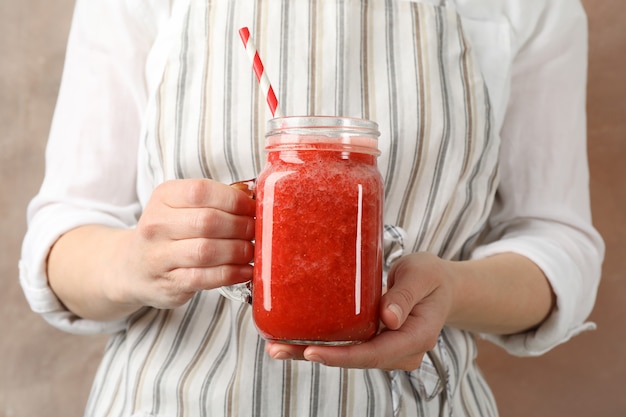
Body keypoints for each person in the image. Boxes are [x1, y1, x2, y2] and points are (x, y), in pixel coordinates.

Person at [19, 0, 604, 415]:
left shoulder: (537, 7)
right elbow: (64, 234)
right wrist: (131, 261)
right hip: (170, 400)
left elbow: (556, 242)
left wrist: (448, 288)